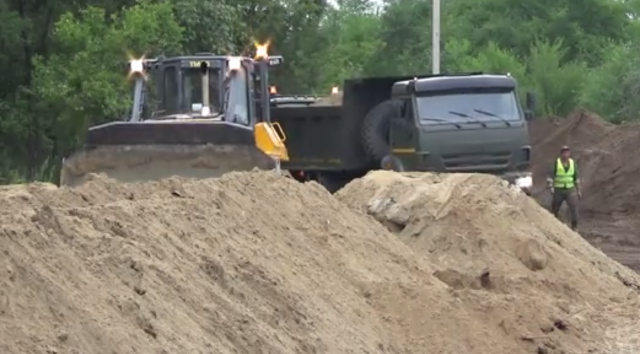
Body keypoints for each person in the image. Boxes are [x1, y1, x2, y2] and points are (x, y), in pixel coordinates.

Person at [547, 145, 582, 230]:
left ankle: (574, 226)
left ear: (569, 153)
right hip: (559, 189)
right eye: (564, 152)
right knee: (555, 207)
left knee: (573, 207)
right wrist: (550, 186)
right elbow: (551, 175)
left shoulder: (572, 163)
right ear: (561, 154)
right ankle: (553, 223)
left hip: (570, 189)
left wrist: (578, 190)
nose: (565, 154)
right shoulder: (557, 162)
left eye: (567, 152)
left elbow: (576, 177)